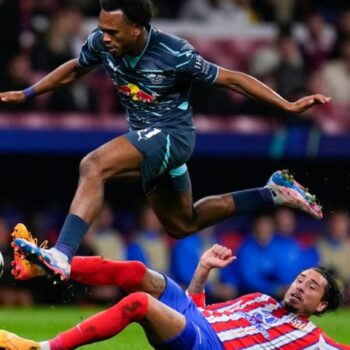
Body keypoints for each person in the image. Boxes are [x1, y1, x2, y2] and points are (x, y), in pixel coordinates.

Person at [1, 0, 328, 282]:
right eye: (102, 29)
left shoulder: (175, 52)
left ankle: (62, 253)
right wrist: (27, 92)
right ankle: (271, 193)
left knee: (94, 164)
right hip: (148, 142)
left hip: (174, 136)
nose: (104, 37)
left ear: (138, 29)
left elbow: (231, 79)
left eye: (113, 32)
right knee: (182, 224)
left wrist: (286, 105)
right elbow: (76, 68)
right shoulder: (101, 43)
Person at [2, 226, 348, 349]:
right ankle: (42, 266)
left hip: (210, 347)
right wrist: (201, 271)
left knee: (140, 302)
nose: (301, 285)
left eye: (312, 286)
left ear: (321, 306)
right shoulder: (259, 299)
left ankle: (42, 349)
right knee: (139, 273)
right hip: (196, 323)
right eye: (301, 278)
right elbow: (199, 312)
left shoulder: (314, 342)